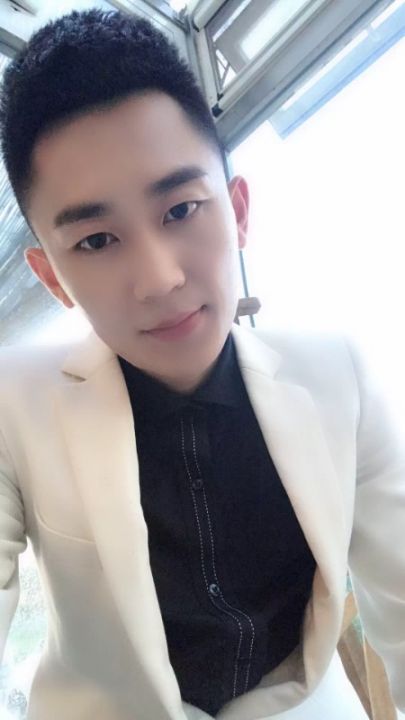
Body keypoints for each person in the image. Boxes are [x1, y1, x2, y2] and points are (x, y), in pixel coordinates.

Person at [0, 9, 403, 720]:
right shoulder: (13, 401)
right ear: (52, 276)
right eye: (96, 241)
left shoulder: (337, 372)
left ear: (237, 209)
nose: (159, 279)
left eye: (182, 209)